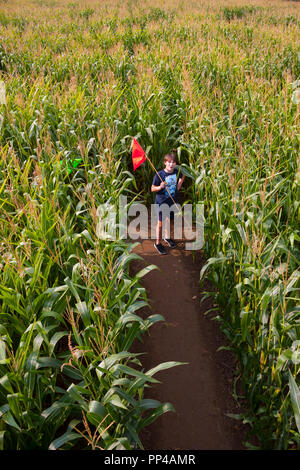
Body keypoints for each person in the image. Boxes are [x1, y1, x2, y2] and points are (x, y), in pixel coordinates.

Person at [151, 152, 185, 255]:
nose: (171, 164)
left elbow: (177, 188)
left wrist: (182, 178)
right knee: (160, 223)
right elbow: (152, 189)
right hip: (162, 202)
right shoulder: (159, 174)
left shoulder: (176, 172)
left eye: (173, 162)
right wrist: (160, 187)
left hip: (172, 201)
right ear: (165, 163)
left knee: (169, 220)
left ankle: (167, 238)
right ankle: (157, 243)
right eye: (169, 162)